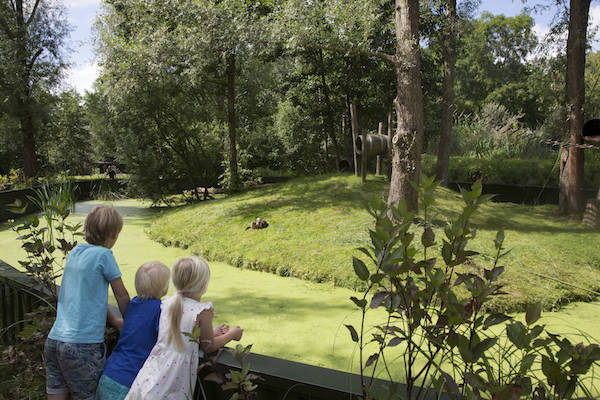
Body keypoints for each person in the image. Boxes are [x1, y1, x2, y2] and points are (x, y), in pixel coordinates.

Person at [125, 256, 243, 400]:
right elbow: (208, 346)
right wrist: (232, 334)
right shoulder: (202, 311)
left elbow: (181, 335)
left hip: (154, 371)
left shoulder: (168, 303)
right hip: (174, 376)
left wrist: (212, 332)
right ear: (203, 285)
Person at [45, 205, 130, 400]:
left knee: (57, 393)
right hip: (82, 346)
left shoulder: (75, 252)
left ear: (86, 229)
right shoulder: (104, 255)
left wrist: (114, 320)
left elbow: (87, 298)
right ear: (114, 234)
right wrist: (130, 322)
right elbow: (122, 295)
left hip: (55, 340)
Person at [95, 261, 171, 400]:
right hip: (129, 383)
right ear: (164, 288)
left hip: (108, 374)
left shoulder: (134, 304)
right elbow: (170, 337)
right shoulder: (161, 309)